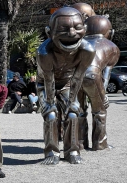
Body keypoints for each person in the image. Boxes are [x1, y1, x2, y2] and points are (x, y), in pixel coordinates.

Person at [36, 7, 96, 165]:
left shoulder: (87, 50)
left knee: (72, 114)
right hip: (45, 84)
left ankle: (72, 151)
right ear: (49, 33)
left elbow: (78, 77)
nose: (71, 34)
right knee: (51, 115)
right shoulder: (44, 52)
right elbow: (48, 80)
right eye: (63, 29)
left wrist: (71, 103)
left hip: (68, 83)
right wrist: (50, 104)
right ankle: (51, 152)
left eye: (77, 27)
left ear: (85, 29)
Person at [77, 15, 120, 150]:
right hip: (92, 76)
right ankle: (100, 143)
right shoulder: (112, 47)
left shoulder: (77, 43)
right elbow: (105, 75)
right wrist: (104, 94)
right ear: (110, 32)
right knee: (99, 111)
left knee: (79, 111)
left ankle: (79, 143)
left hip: (75, 77)